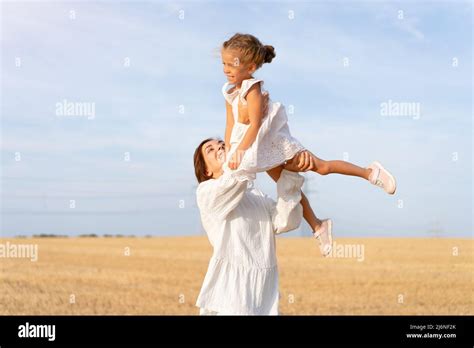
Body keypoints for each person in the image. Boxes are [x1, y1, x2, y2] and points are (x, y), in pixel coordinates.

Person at [220, 33, 397, 253]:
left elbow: (255, 125)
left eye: (232, 64)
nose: (226, 69)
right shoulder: (229, 93)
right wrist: (229, 152)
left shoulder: (253, 89)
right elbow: (230, 125)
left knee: (321, 167)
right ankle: (318, 225)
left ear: (251, 67)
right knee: (287, 185)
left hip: (272, 143)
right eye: (224, 63)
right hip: (258, 149)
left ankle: (370, 172)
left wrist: (239, 153)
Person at [193, 138, 316, 315]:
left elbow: (286, 221)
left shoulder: (255, 194)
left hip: (264, 295)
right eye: (210, 150)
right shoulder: (206, 193)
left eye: (221, 144)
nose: (219, 147)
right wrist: (247, 147)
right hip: (232, 296)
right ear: (206, 170)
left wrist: (288, 174)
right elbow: (234, 178)